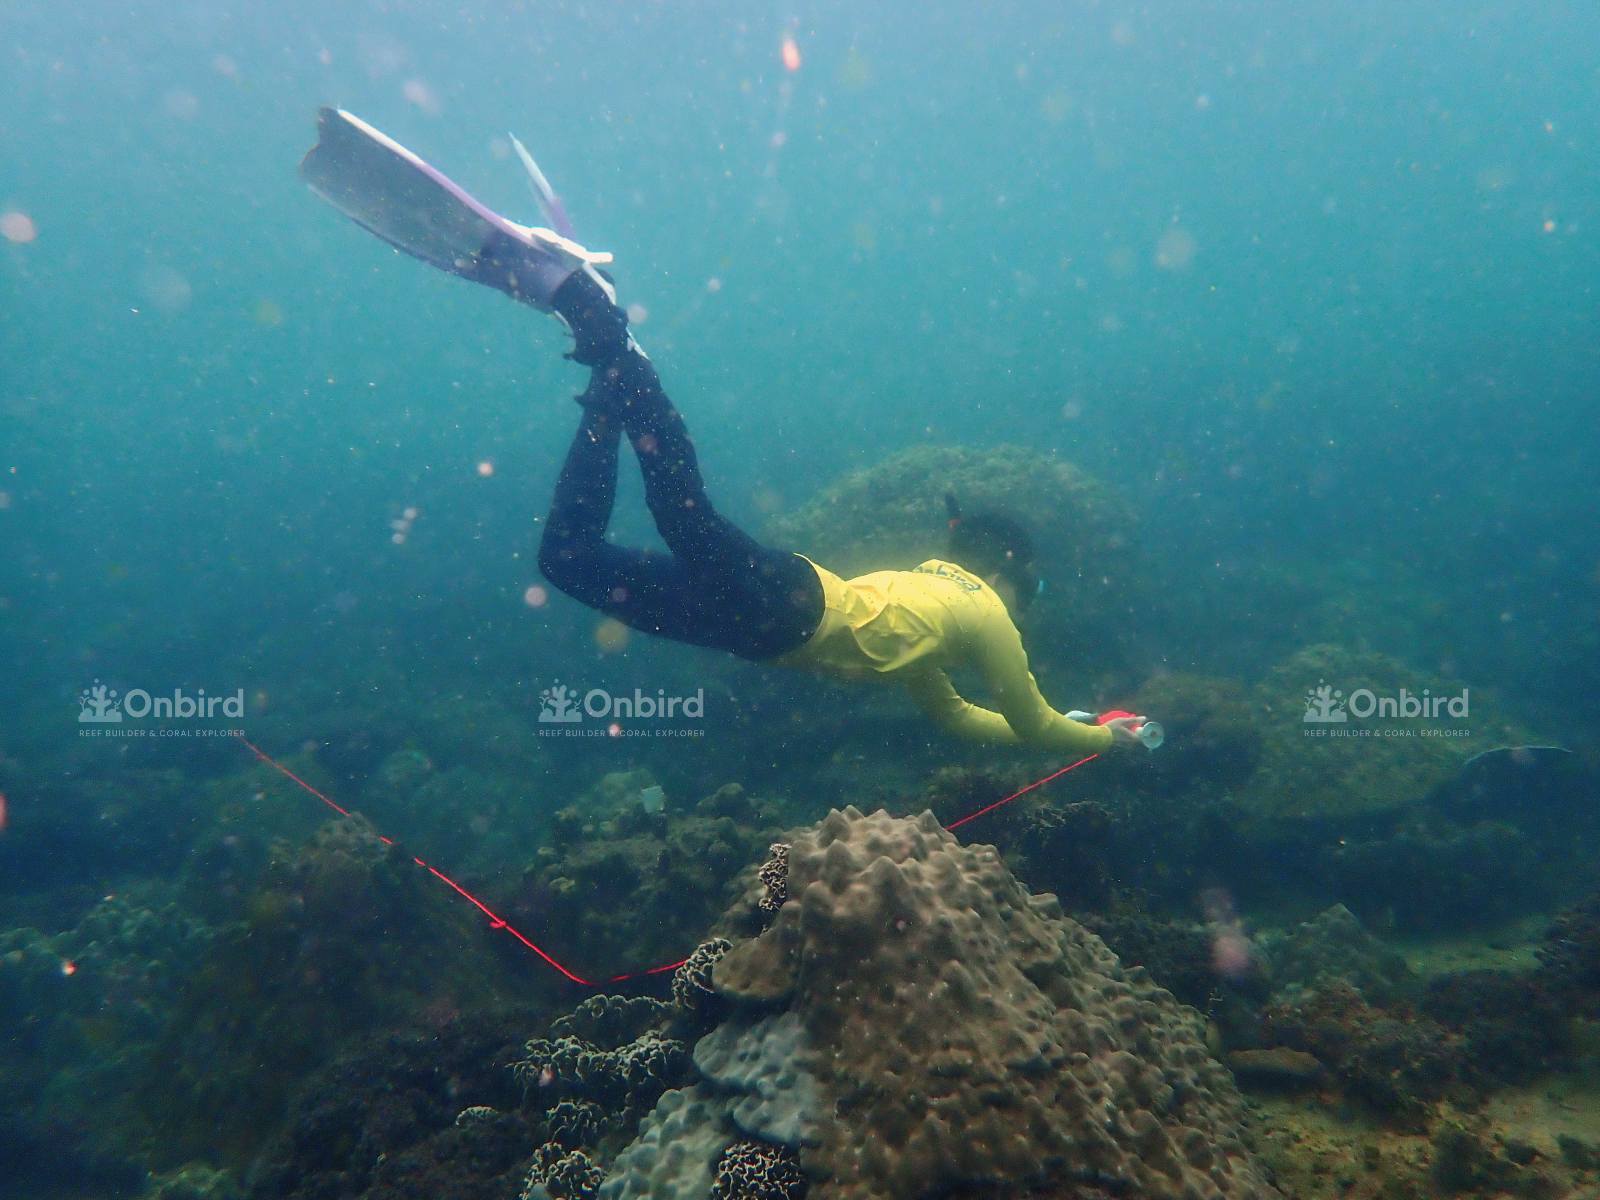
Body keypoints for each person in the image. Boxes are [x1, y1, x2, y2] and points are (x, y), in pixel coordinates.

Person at [300, 108, 1146, 754]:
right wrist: (1113, 738)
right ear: (1006, 575)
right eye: (1027, 594)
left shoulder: (941, 608)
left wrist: (1071, 720)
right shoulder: (987, 613)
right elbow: (1028, 723)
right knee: (684, 517)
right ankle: (602, 323)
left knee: (567, 559)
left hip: (758, 625)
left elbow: (961, 716)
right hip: (783, 610)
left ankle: (608, 386)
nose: (1023, 612)